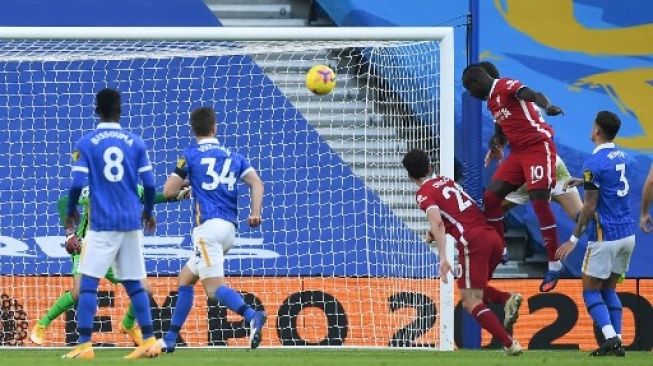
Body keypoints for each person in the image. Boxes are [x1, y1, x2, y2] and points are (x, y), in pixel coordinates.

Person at [155, 107, 266, 353]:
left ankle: (251, 316)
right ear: (215, 127)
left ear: (193, 130)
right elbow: (256, 183)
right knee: (185, 279)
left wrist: (187, 183)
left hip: (208, 230)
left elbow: (168, 192)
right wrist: (255, 212)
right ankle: (170, 339)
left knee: (214, 290)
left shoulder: (190, 155)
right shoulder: (234, 156)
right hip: (229, 229)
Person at [61, 88, 160, 359]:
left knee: (89, 283)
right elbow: (150, 184)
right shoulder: (136, 142)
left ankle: (84, 345)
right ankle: (150, 340)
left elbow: (77, 183)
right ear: (120, 110)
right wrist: (148, 211)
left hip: (102, 224)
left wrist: (71, 210)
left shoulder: (86, 143)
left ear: (97, 110)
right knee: (134, 283)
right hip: (130, 222)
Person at [30, 185, 189, 346]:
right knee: (79, 291)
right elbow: (64, 201)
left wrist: (176, 196)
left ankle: (127, 325)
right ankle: (42, 324)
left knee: (145, 290)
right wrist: (70, 234)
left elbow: (150, 197)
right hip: (87, 248)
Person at [402, 149, 523, 356]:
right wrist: (434, 232)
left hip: (473, 242)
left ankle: (510, 344)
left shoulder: (423, 194)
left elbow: (438, 222)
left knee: (470, 301)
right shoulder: (446, 181)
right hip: (492, 237)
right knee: (473, 289)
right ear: (430, 167)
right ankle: (506, 298)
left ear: (410, 176)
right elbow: (459, 211)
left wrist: (443, 258)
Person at [462, 65, 565, 292]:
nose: (471, 95)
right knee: (490, 198)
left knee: (539, 201)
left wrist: (548, 107)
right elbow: (502, 130)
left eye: (469, 89)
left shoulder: (506, 86)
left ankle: (554, 264)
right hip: (518, 153)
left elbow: (533, 94)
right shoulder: (491, 102)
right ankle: (501, 249)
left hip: (538, 147)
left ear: (477, 81)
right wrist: (496, 143)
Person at [556, 111, 633, 356]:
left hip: (605, 235)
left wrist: (573, 239)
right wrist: (582, 181)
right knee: (609, 290)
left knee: (590, 290)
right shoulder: (623, 156)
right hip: (627, 235)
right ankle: (617, 340)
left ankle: (610, 338)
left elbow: (589, 207)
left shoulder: (593, 163)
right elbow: (610, 183)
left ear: (597, 130)